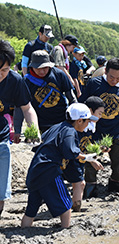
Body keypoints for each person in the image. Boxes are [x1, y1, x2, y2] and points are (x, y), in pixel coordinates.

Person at [21, 103, 99, 228]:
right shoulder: (70, 131)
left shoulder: (57, 126)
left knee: (31, 210)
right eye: (87, 121)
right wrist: (86, 157)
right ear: (79, 121)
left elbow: (42, 142)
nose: (88, 124)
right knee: (66, 206)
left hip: (35, 170)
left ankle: (24, 229)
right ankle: (65, 230)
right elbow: (70, 151)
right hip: (49, 172)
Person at [79, 57, 119, 193]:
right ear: (105, 72)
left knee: (117, 162)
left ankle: (115, 187)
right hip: (96, 130)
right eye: (111, 77)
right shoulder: (93, 83)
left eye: (118, 78)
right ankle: (91, 188)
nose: (114, 81)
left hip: (117, 130)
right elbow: (84, 104)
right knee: (91, 160)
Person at [0, 40, 39, 217]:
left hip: (1, 135)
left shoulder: (15, 80)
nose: (0, 75)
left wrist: (34, 130)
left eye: (4, 70)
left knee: (1, 179)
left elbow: (27, 108)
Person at [14, 50, 77, 136]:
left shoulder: (59, 75)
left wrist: (76, 119)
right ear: (32, 67)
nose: (42, 72)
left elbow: (72, 98)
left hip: (62, 122)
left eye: (45, 68)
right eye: (38, 68)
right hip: (40, 125)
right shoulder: (26, 81)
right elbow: (20, 107)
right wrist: (17, 131)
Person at [63, 96, 105, 208]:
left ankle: (75, 207)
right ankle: (75, 208)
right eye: (99, 113)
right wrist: (91, 160)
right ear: (90, 111)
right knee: (79, 183)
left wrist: (99, 149)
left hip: (79, 157)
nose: (100, 116)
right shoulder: (78, 128)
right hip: (73, 159)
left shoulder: (90, 125)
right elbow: (78, 147)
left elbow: (87, 144)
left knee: (79, 183)